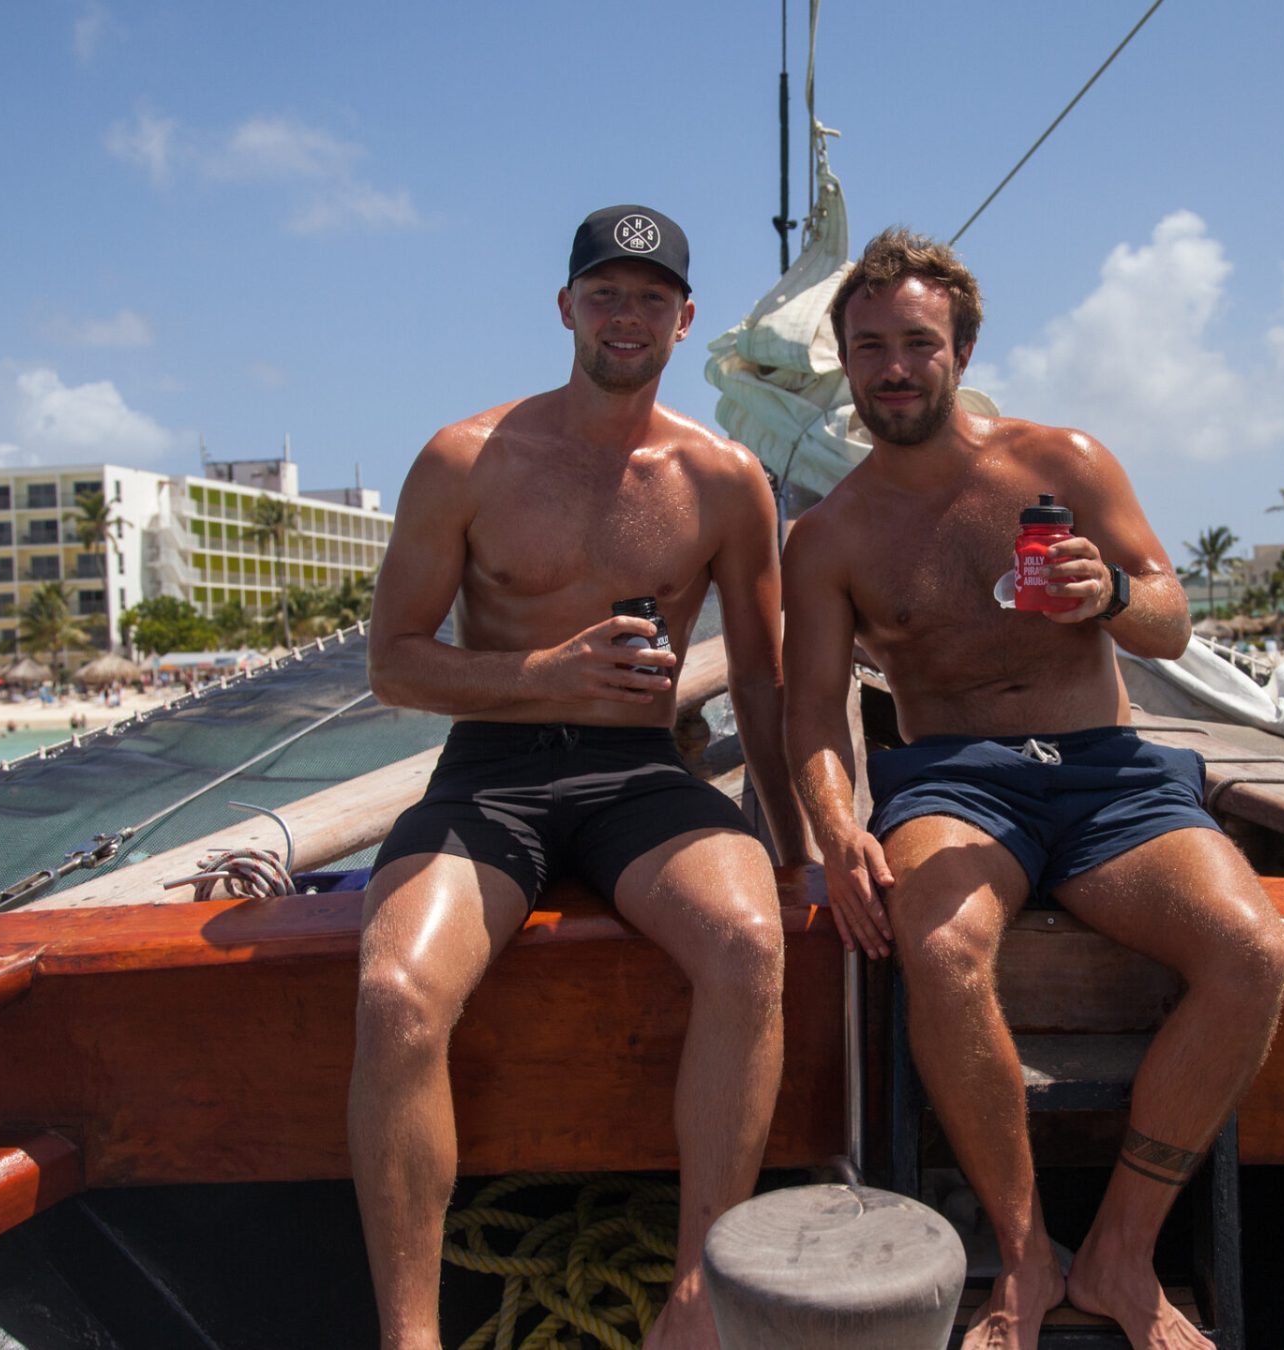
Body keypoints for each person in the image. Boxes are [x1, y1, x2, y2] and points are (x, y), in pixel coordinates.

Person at [782, 228, 1284, 1350]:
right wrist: (836, 828)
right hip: (956, 783)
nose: (894, 368)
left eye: (918, 343)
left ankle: (1119, 1253)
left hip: (1108, 776)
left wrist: (1107, 594)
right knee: (940, 947)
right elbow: (812, 712)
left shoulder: (1064, 461)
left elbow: (1170, 620)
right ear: (844, 362)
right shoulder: (828, 538)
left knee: (1253, 953)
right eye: (869, 347)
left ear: (962, 349)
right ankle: (1022, 1255)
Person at [354, 204, 804, 1350]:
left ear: (685, 321)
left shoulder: (725, 479)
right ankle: (410, 1336)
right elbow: (393, 663)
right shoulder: (466, 459)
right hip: (490, 775)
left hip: (639, 776)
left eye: (651, 298)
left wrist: (797, 845)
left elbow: (762, 682)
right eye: (605, 294)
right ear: (565, 307)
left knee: (750, 945)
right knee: (397, 994)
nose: (625, 316)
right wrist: (543, 673)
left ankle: (699, 1298)